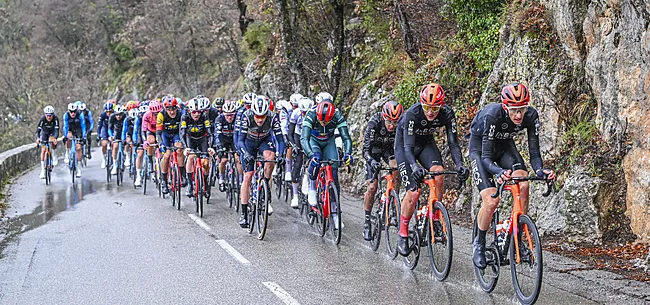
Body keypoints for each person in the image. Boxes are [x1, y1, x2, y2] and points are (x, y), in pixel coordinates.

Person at [469, 82, 555, 269]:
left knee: (523, 184)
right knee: (491, 201)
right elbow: (485, 157)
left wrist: (540, 171)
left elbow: (534, 152)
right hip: (481, 150)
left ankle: (517, 239)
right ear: (505, 106)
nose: (518, 115)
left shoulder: (531, 116)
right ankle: (479, 243)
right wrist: (498, 172)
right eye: (514, 110)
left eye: (522, 110)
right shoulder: (493, 115)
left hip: (505, 146)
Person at [394, 83, 469, 256]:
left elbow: (453, 143)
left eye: (434, 108)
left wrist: (459, 165)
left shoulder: (447, 114)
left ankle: (434, 217)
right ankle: (403, 233)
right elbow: (407, 148)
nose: (430, 112)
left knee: (439, 173)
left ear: (441, 106)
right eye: (426, 107)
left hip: (426, 143)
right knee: (414, 192)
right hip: (406, 147)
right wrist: (414, 167)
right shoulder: (413, 114)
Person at [301, 99, 353, 229]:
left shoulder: (337, 115)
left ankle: (335, 213)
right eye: (321, 121)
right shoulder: (311, 114)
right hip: (314, 141)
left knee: (334, 174)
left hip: (329, 142)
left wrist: (347, 154)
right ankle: (312, 187)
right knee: (316, 159)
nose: (323, 123)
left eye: (326, 121)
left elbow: (346, 137)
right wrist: (310, 154)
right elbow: (304, 138)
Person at [236, 96, 285, 227]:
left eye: (263, 117)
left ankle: (266, 186)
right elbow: (240, 140)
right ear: (253, 113)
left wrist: (280, 155)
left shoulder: (273, 117)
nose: (260, 119)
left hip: (264, 140)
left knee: (270, 157)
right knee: (247, 176)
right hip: (249, 142)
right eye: (257, 116)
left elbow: (280, 139)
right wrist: (245, 153)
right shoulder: (246, 116)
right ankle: (244, 213)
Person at [361, 100, 403, 240]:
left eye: (395, 122)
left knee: (396, 169)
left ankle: (393, 203)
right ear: (384, 117)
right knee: (372, 187)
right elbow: (365, 149)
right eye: (389, 121)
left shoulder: (400, 125)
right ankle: (367, 222)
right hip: (373, 151)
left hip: (389, 151)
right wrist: (372, 161)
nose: (392, 126)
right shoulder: (375, 122)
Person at [180, 99, 215, 197]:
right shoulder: (185, 117)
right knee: (190, 157)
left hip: (202, 138)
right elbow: (182, 133)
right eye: (194, 112)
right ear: (190, 111)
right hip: (190, 138)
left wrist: (210, 147)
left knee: (205, 162)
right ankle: (190, 185)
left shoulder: (204, 116)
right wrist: (185, 147)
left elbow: (209, 133)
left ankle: (205, 182)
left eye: (199, 112)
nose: (196, 114)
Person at [156, 95, 185, 194]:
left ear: (177, 107)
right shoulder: (161, 115)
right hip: (165, 135)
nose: (171, 112)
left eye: (173, 108)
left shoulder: (181, 113)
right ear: (165, 109)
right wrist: (160, 144)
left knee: (179, 149)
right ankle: (164, 181)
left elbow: (183, 130)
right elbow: (158, 133)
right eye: (168, 109)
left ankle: (182, 175)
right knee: (167, 156)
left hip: (176, 133)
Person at [288, 97, 313, 208]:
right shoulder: (295, 113)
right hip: (298, 136)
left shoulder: (314, 114)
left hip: (311, 136)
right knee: (298, 163)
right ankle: (295, 196)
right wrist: (293, 145)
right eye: (303, 112)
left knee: (312, 159)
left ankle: (307, 180)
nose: (304, 115)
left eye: (306, 113)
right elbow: (290, 132)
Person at [214, 100, 239, 191]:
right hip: (223, 140)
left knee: (238, 159)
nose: (229, 117)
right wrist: (220, 147)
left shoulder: (238, 118)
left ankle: (239, 180)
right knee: (224, 160)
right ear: (223, 113)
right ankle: (221, 179)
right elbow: (217, 134)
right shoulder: (219, 119)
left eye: (231, 115)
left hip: (234, 140)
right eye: (227, 115)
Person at [62, 102, 87, 178]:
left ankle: (78, 168)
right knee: (68, 138)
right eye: (71, 112)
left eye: (74, 112)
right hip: (70, 129)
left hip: (78, 130)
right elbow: (66, 126)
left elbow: (83, 126)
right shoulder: (66, 115)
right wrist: (66, 136)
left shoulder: (80, 115)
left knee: (78, 148)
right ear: (68, 111)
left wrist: (84, 136)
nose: (73, 113)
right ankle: (67, 153)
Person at [36, 105, 60, 178]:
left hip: (52, 132)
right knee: (43, 150)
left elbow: (56, 130)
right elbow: (38, 130)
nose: (49, 117)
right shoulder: (42, 119)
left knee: (52, 142)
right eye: (47, 115)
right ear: (45, 115)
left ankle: (54, 154)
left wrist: (55, 138)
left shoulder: (55, 119)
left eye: (50, 115)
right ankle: (43, 170)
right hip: (44, 133)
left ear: (53, 114)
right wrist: (37, 138)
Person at [142, 101, 163, 176]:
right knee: (151, 142)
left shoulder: (163, 113)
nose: (157, 115)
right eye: (155, 113)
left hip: (160, 131)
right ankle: (150, 161)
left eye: (158, 112)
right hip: (151, 131)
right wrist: (145, 140)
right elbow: (143, 130)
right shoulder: (146, 115)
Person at [277, 99, 294, 182]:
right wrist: (285, 136)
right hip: (286, 129)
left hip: (296, 130)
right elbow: (283, 125)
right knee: (288, 145)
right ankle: (288, 170)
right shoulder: (285, 109)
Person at [108, 105, 127, 175]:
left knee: (126, 143)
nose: (118, 116)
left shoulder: (125, 117)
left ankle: (126, 156)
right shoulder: (112, 117)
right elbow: (109, 128)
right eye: (117, 115)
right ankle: (114, 164)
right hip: (116, 131)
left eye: (120, 115)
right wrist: (111, 136)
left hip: (124, 131)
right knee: (115, 146)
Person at [133, 102, 148, 187]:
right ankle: (138, 176)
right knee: (140, 154)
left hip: (149, 134)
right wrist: (135, 141)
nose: (143, 116)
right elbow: (135, 132)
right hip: (140, 135)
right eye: (142, 115)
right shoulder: (138, 119)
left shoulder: (150, 117)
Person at [97, 102, 115, 168]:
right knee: (104, 144)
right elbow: (99, 126)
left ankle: (114, 158)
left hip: (113, 129)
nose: (108, 113)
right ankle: (104, 158)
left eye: (110, 111)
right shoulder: (102, 115)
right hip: (105, 128)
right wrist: (98, 135)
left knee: (114, 144)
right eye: (107, 112)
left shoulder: (115, 115)